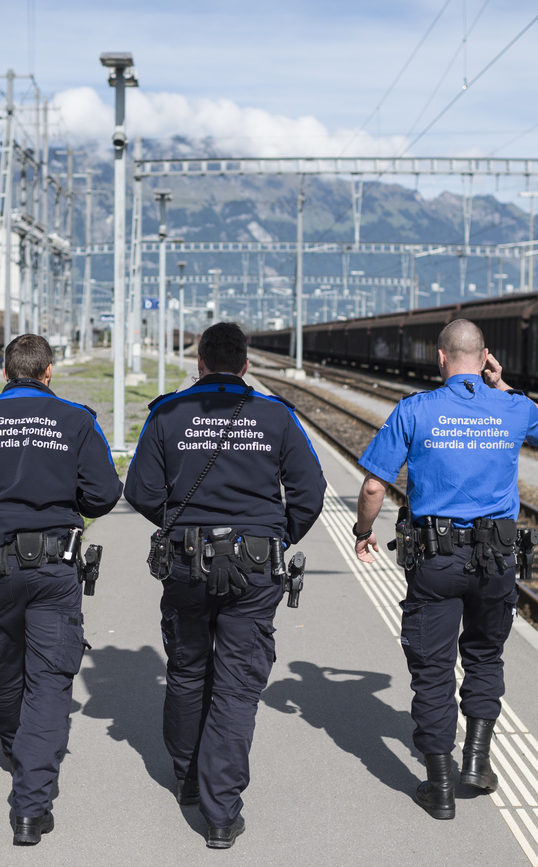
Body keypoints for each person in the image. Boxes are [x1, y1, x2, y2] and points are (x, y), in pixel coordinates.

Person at [125, 322, 326, 849]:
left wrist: (175, 527)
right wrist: (275, 535)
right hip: (257, 568)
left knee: (189, 669)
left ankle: (187, 777)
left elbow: (140, 489)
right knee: (237, 684)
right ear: (245, 364)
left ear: (199, 362)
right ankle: (221, 815)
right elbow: (310, 489)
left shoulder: (166, 414)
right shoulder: (276, 415)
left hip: (186, 563)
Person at [0, 333, 123, 845]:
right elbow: (103, 495)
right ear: (49, 372)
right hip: (55, 569)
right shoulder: (77, 419)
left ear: (4, 373)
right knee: (50, 680)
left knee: (6, 668)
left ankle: (18, 751)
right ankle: (31, 809)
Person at [351, 318, 538, 820]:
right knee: (484, 658)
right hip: (498, 560)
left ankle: (438, 788)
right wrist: (500, 383)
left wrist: (362, 532)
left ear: (440, 358)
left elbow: (375, 486)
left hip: (436, 561)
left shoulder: (415, 410)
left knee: (432, 669)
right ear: (484, 358)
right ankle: (476, 764)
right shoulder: (511, 406)